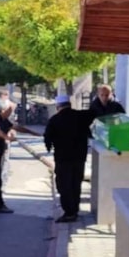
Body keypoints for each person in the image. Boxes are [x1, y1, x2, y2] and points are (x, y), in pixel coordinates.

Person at [44, 95, 97, 223]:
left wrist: (49, 147)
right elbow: (95, 112)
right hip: (79, 157)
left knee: (64, 185)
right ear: (69, 104)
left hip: (63, 158)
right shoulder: (81, 116)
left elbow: (47, 138)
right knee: (76, 183)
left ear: (58, 106)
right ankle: (74, 210)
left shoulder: (54, 120)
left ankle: (69, 213)